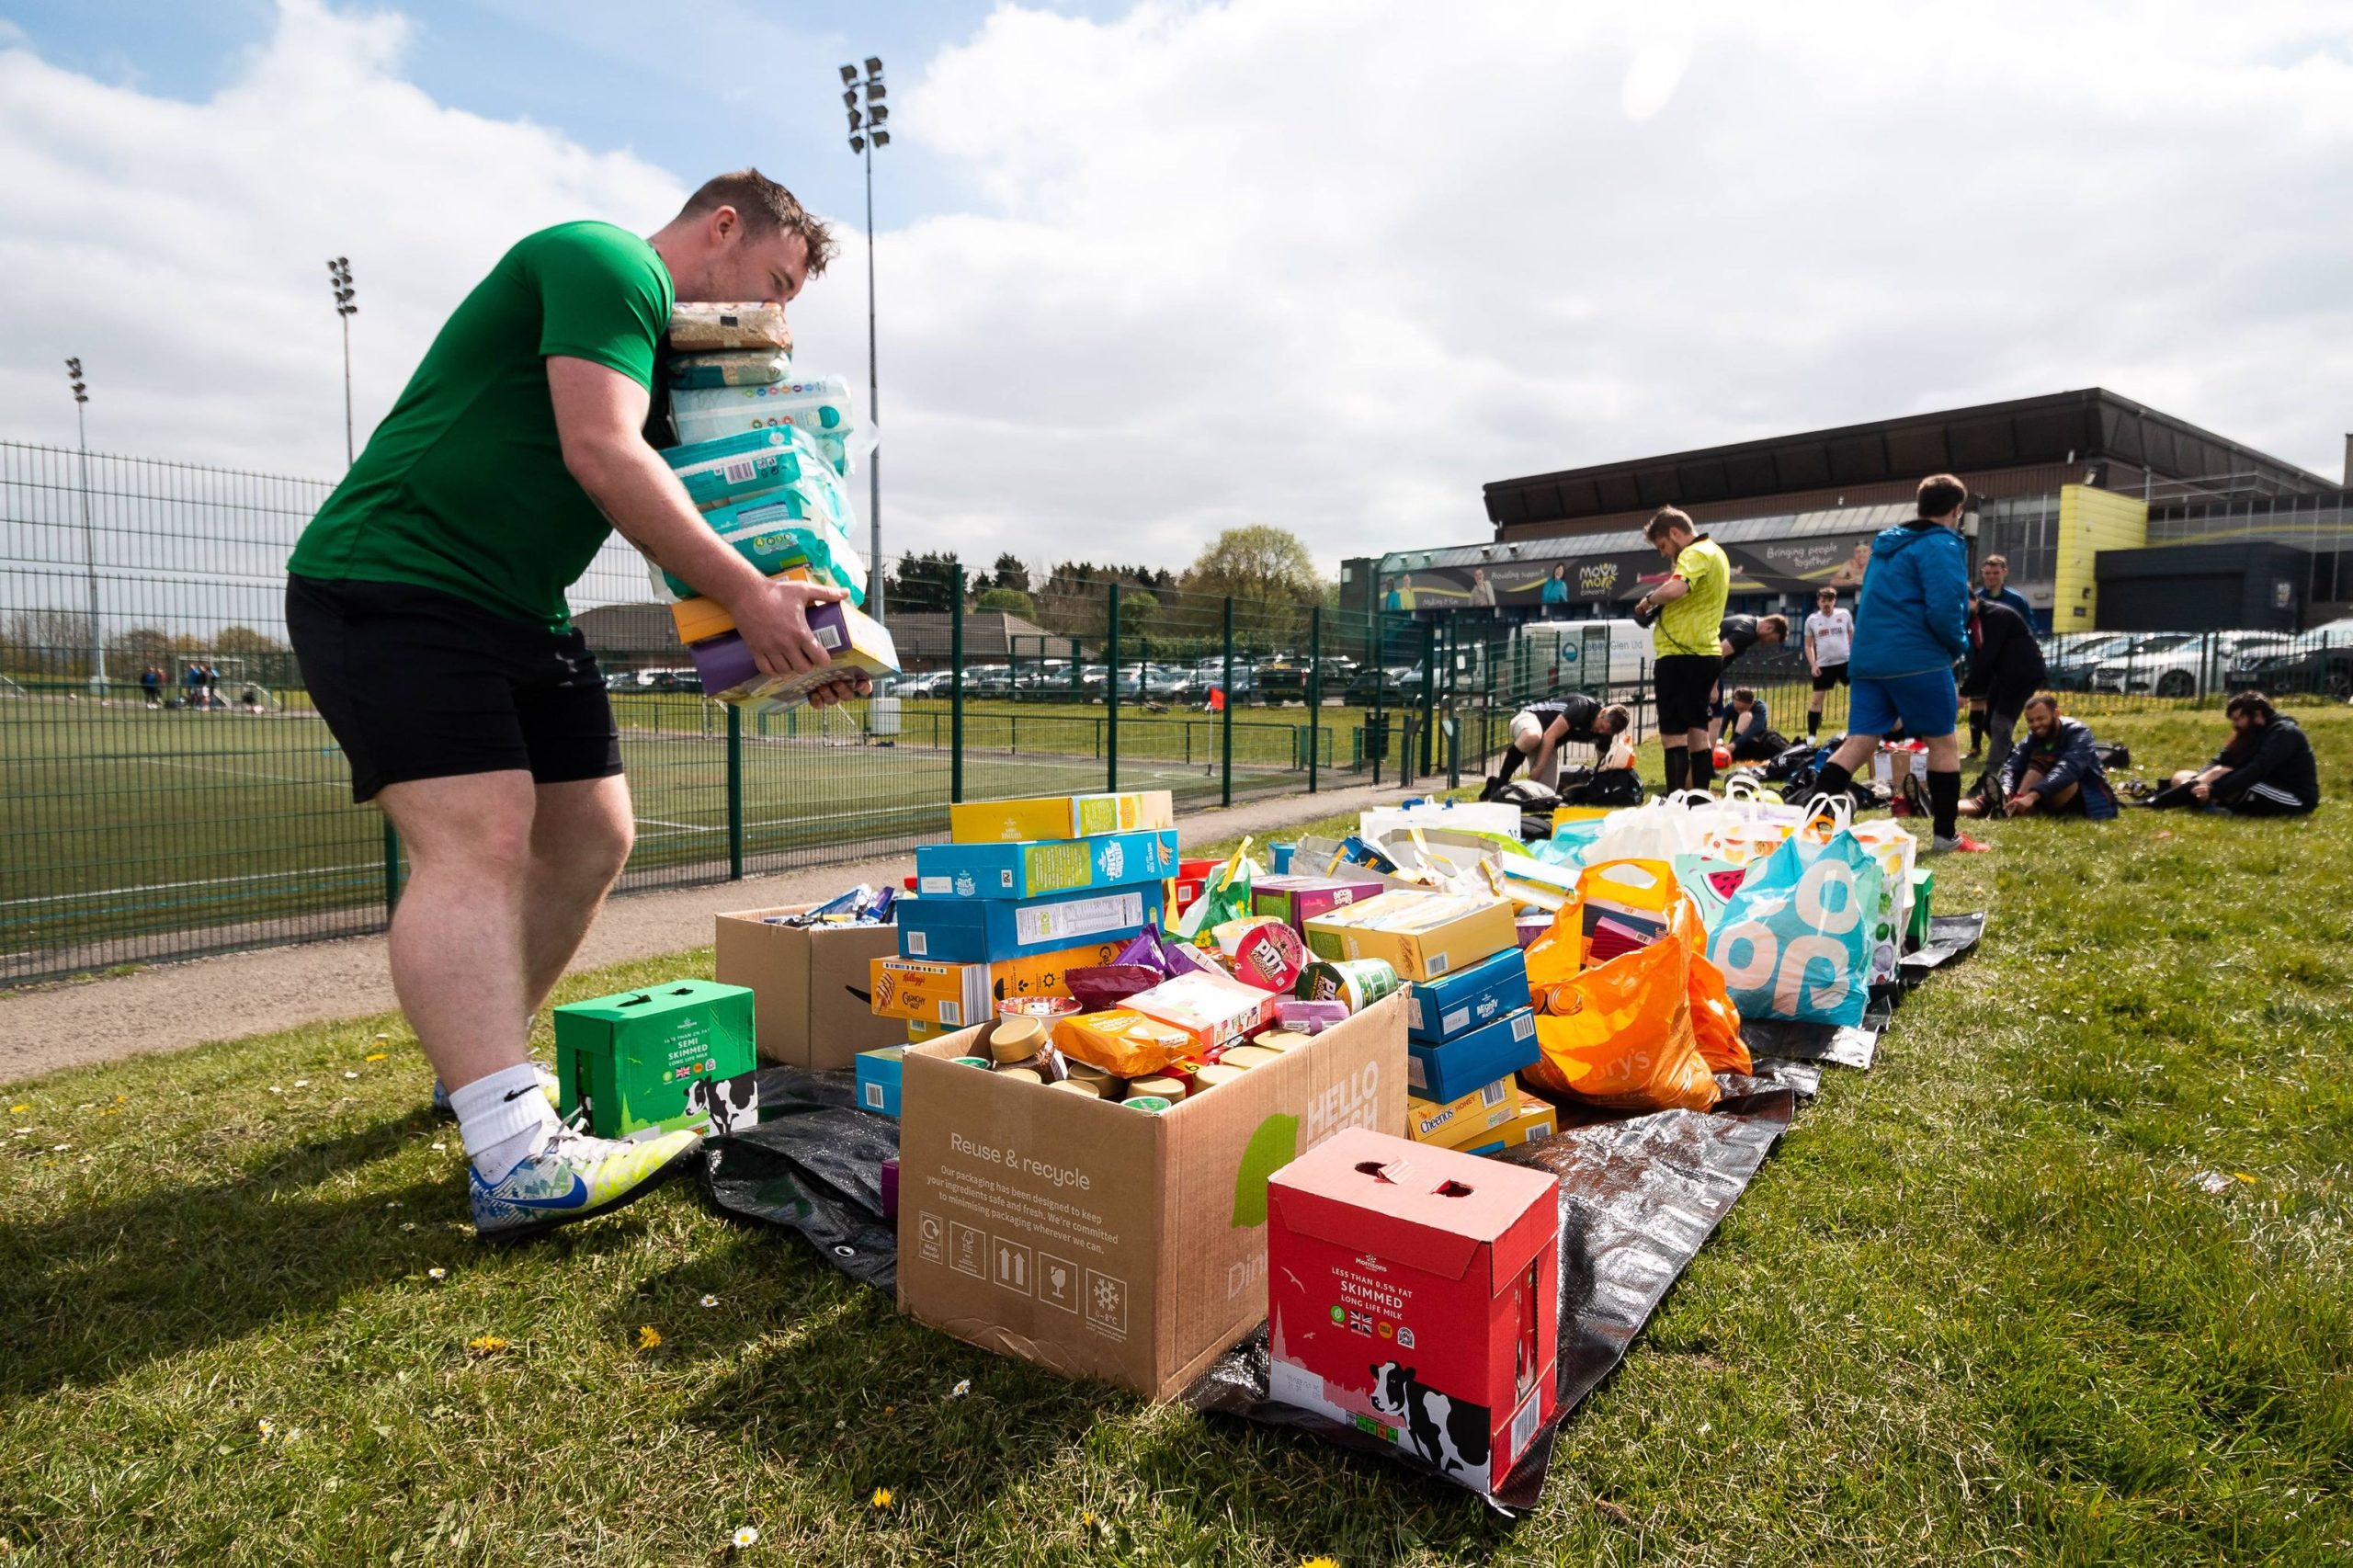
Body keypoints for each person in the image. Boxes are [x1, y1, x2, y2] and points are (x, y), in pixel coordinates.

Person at [285, 170, 860, 1241]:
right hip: (397, 579)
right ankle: (511, 1151)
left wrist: (793, 640)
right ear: (722, 227)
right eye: (774, 282)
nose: (773, 316)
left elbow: (713, 509)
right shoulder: (609, 260)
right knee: (480, 837)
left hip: (516, 606)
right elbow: (603, 453)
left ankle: (482, 1070)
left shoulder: (667, 354)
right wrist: (747, 594)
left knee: (594, 834)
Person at [1802, 474, 1975, 851]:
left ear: (1920, 506)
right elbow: (1946, 607)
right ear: (1956, 510)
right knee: (1943, 743)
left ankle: (1813, 832)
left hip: (1868, 661)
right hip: (1918, 657)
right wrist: (1959, 646)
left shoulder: (1886, 545)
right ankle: (1946, 836)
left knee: (1858, 743)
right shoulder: (1942, 544)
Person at [1631, 507, 1731, 794]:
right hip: (1705, 653)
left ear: (1675, 533)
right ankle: (1697, 802)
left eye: (1663, 546)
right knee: (1698, 732)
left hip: (1681, 656)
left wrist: (1648, 601)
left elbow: (1677, 588)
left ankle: (1675, 802)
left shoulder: (1695, 553)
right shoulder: (1717, 553)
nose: (1664, 553)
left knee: (1673, 737)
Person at [2145, 692, 2319, 815]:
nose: (2235, 725)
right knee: (2180, 776)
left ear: (2257, 715)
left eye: (2238, 719)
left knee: (2237, 780)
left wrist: (2213, 789)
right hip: (2257, 784)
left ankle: (2199, 802)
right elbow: (2219, 760)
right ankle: (2202, 803)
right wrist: (2201, 779)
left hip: (2293, 797)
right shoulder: (2250, 733)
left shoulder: (2284, 733)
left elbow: (2256, 770)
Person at [1957, 694, 2118, 820]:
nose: (2035, 725)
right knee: (1989, 800)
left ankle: (2013, 804)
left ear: (2056, 713)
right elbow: (2013, 764)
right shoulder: (2033, 737)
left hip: (2085, 798)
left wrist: (2032, 795)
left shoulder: (2078, 733)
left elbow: (2069, 769)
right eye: (2030, 721)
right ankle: (1944, 807)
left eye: (2041, 719)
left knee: (2043, 760)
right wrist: (2006, 787)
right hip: (2043, 794)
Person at [1958, 597, 2046, 778]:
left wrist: (1965, 692)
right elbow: (1981, 656)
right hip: (2004, 674)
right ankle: (2017, 761)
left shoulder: (1995, 615)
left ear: (1971, 599)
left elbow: (1987, 655)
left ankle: (1990, 774)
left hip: (2023, 673)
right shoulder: (1977, 620)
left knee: (2000, 723)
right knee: (1989, 723)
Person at [1966, 553, 2034, 756]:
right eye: (1987, 573)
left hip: (2006, 663)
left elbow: (2028, 627)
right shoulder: (1976, 598)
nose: (1991, 577)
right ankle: (1975, 746)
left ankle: (2007, 748)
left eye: (1995, 573)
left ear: (2004, 573)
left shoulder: (2016, 600)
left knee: (2001, 707)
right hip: (1980, 658)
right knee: (1977, 700)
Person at [1494, 694, 1633, 789]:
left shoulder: (1605, 734)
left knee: (1545, 793)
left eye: (1607, 732)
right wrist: (1538, 768)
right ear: (1602, 713)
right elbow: (1549, 735)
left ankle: (1504, 791)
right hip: (1530, 718)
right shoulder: (1582, 707)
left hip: (1548, 743)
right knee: (1533, 736)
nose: (1601, 732)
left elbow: (1602, 763)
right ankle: (1500, 783)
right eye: (1602, 727)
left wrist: (1604, 784)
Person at [1802, 586, 1853, 739]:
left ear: (1834, 601)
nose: (1827, 604)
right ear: (1818, 602)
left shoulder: (1844, 614)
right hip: (1824, 665)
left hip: (1845, 662)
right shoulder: (1812, 620)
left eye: (1830, 600)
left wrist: (1853, 655)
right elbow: (1808, 645)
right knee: (1817, 700)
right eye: (1823, 600)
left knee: (1858, 696)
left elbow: (1852, 636)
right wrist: (1813, 664)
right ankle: (1811, 737)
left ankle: (1856, 732)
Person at [1720, 688, 1780, 761]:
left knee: (1746, 716)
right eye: (1737, 709)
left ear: (1752, 703)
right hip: (1737, 739)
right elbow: (1721, 726)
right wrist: (1719, 740)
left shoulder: (1759, 707)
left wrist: (1735, 744)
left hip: (1756, 742)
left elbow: (1756, 728)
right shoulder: (1730, 707)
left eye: (1743, 709)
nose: (1739, 712)